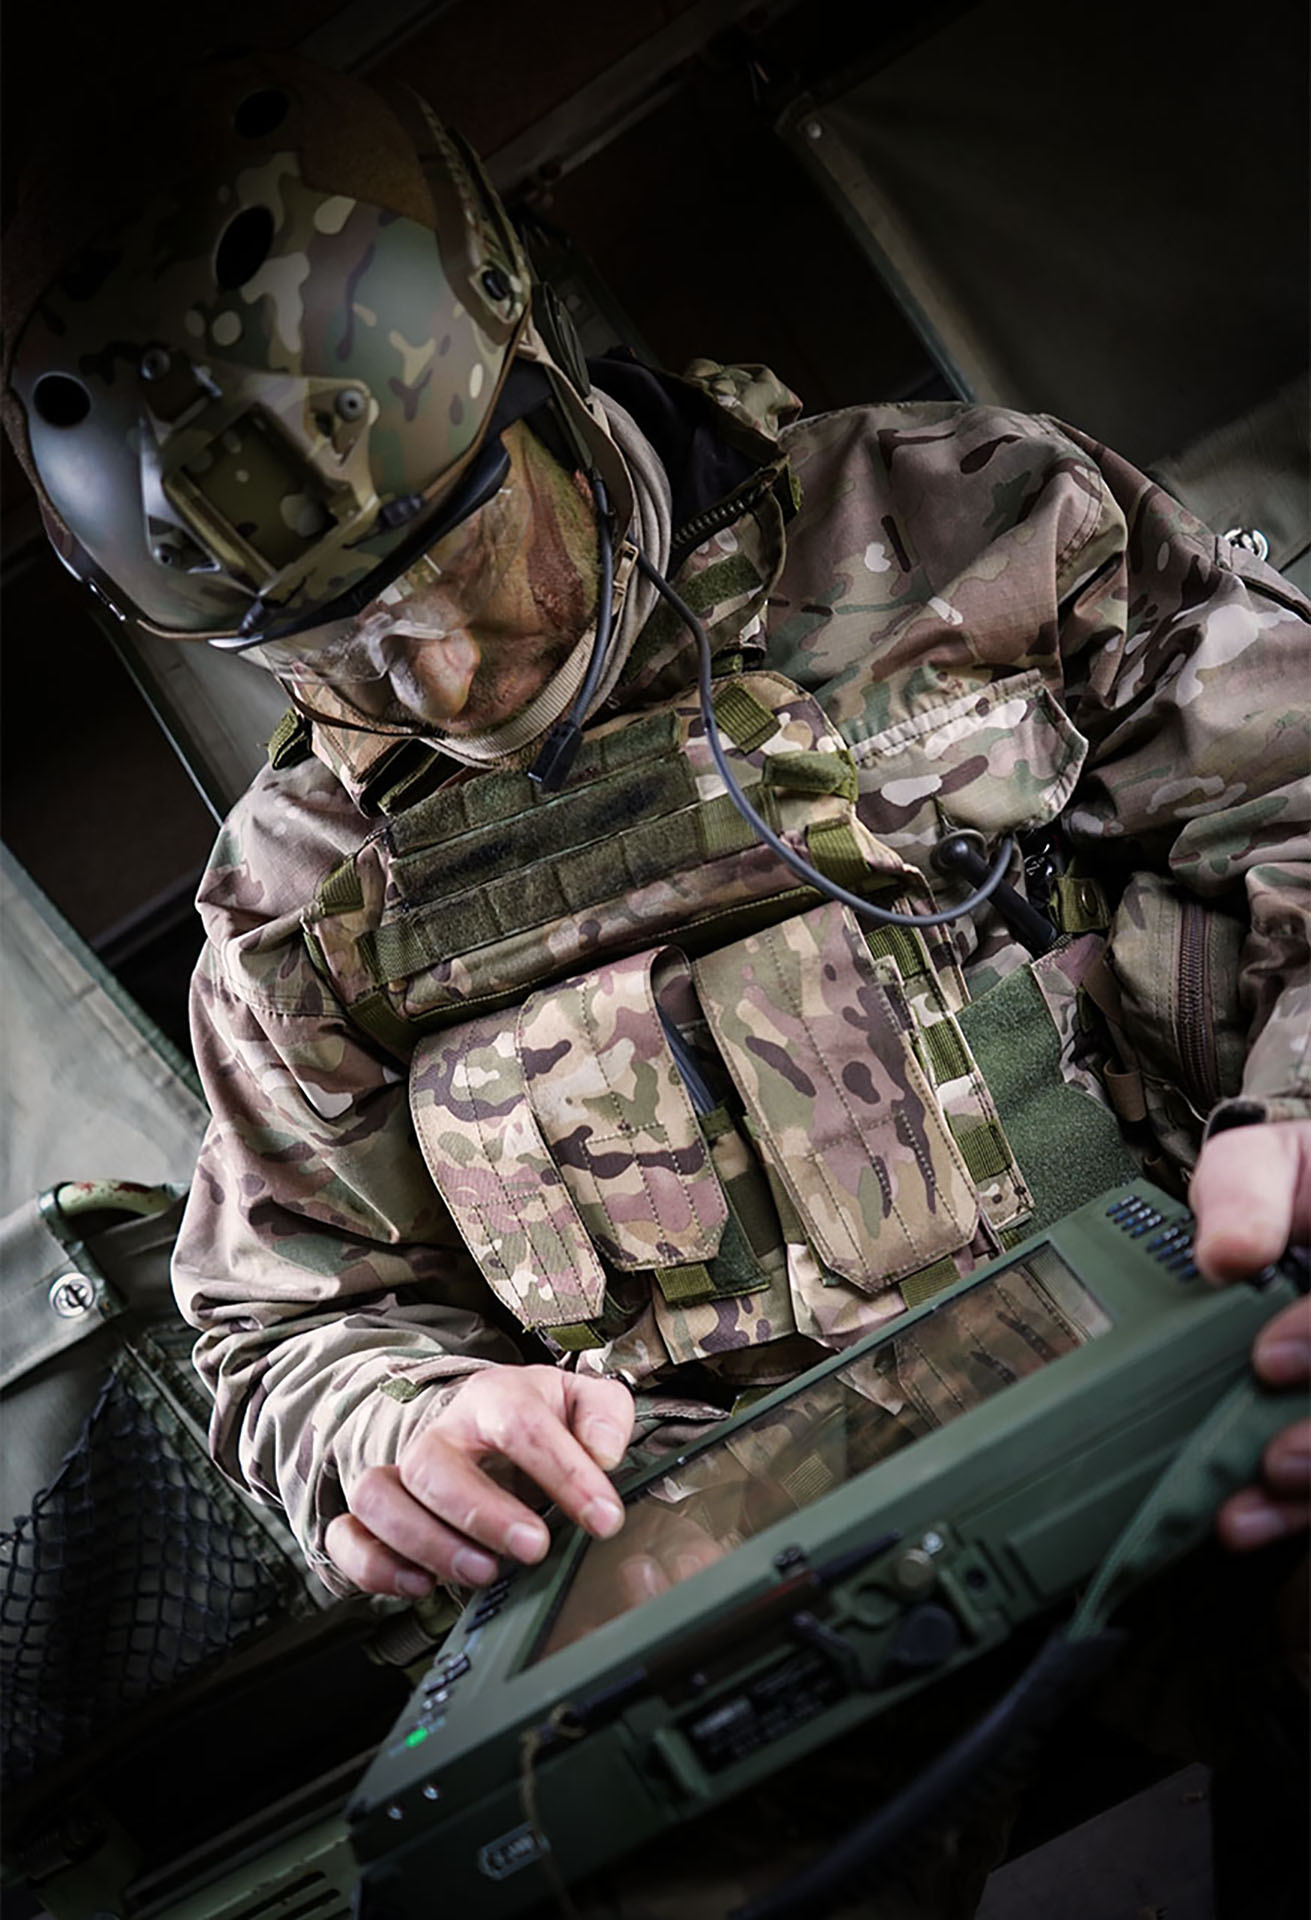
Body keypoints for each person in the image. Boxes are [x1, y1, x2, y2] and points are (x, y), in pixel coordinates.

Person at [3, 46, 1307, 1915]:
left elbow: (1293, 800)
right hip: (737, 1597)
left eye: (449, 555)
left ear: (531, 355)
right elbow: (281, 1324)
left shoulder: (963, 526)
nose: (433, 681)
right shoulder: (291, 919)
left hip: (1209, 1370)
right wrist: (393, 1438)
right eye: (322, 643)